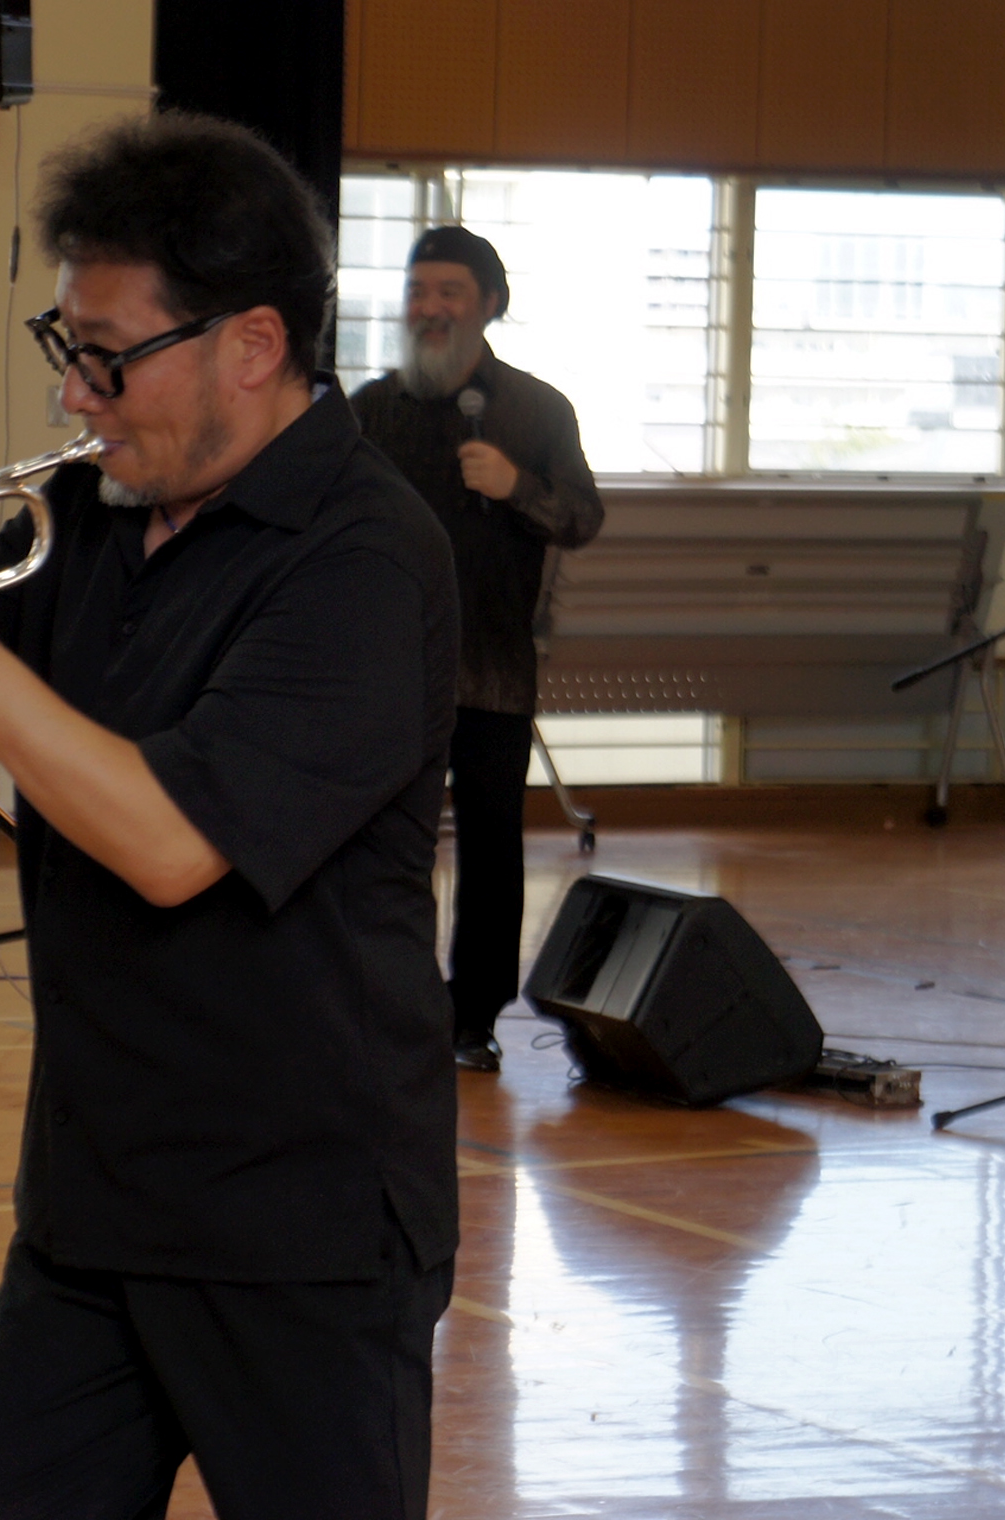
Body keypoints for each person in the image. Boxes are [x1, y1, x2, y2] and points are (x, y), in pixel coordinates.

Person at [0, 113, 460, 1520]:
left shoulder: (368, 559)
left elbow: (168, 844)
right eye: (65, 346)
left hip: (300, 1228)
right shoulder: (82, 516)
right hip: (93, 1202)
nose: (76, 395)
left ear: (250, 345)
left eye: (107, 356)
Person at [351, 226, 604, 1074]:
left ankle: (473, 1018)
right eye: (417, 291)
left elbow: (583, 517)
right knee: (387, 845)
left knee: (493, 848)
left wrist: (516, 485)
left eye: (448, 292)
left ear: (490, 304)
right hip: (387, 669)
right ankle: (386, 1001)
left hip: (492, 669)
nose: (428, 308)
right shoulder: (372, 409)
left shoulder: (537, 409)